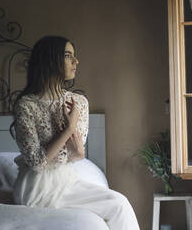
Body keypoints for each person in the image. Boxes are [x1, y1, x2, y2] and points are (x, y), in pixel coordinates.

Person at [11, 35, 140, 230]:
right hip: (37, 188)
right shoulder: (26, 105)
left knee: (119, 203)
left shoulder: (78, 102)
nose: (76, 61)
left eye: (74, 56)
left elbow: (78, 155)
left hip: (67, 180)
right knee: (118, 205)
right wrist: (68, 129)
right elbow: (36, 163)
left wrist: (67, 149)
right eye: (68, 55)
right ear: (50, 60)